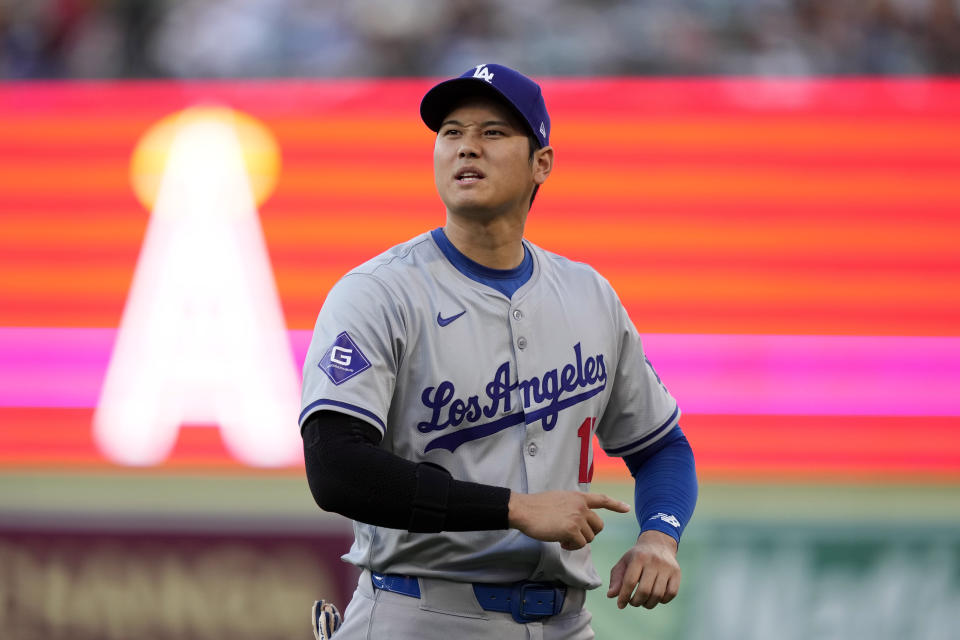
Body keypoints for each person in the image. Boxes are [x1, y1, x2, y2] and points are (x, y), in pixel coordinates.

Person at [299, 63, 698, 640]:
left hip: (566, 620)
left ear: (542, 163)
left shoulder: (589, 295)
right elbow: (335, 468)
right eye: (452, 133)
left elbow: (663, 446)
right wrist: (512, 507)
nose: (467, 148)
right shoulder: (378, 292)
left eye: (492, 133)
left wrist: (659, 534)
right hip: (421, 613)